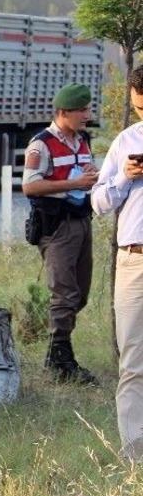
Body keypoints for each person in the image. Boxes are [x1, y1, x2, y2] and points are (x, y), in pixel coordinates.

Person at [22, 83, 99, 384]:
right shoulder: (41, 144)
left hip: (81, 220)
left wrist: (91, 175)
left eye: (88, 109)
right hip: (57, 226)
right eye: (82, 110)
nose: (87, 115)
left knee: (80, 292)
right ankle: (60, 360)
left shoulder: (82, 140)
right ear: (63, 112)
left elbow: (84, 174)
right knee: (64, 292)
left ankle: (58, 352)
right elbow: (30, 186)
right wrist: (74, 184)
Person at [90, 66, 143, 460]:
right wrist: (124, 177)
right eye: (139, 107)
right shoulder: (126, 141)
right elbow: (98, 202)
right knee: (134, 361)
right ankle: (135, 454)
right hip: (135, 262)